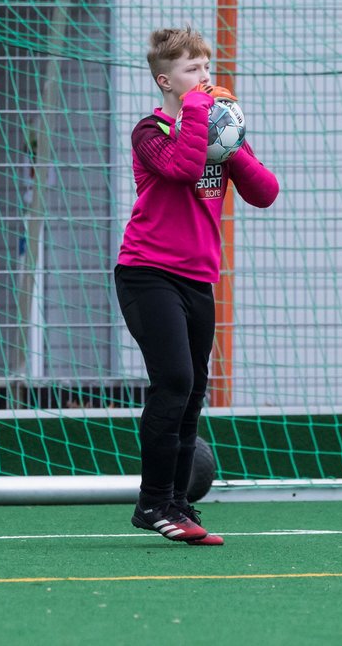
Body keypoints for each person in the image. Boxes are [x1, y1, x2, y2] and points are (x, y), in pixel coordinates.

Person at [115, 27, 279, 546]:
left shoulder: (216, 131)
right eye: (192, 70)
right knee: (175, 382)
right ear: (166, 81)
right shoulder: (150, 131)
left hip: (197, 280)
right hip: (147, 273)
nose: (205, 78)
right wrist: (205, 119)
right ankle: (152, 503)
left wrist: (232, 147)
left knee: (191, 397)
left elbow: (265, 192)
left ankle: (180, 504)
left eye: (207, 68)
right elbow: (185, 168)